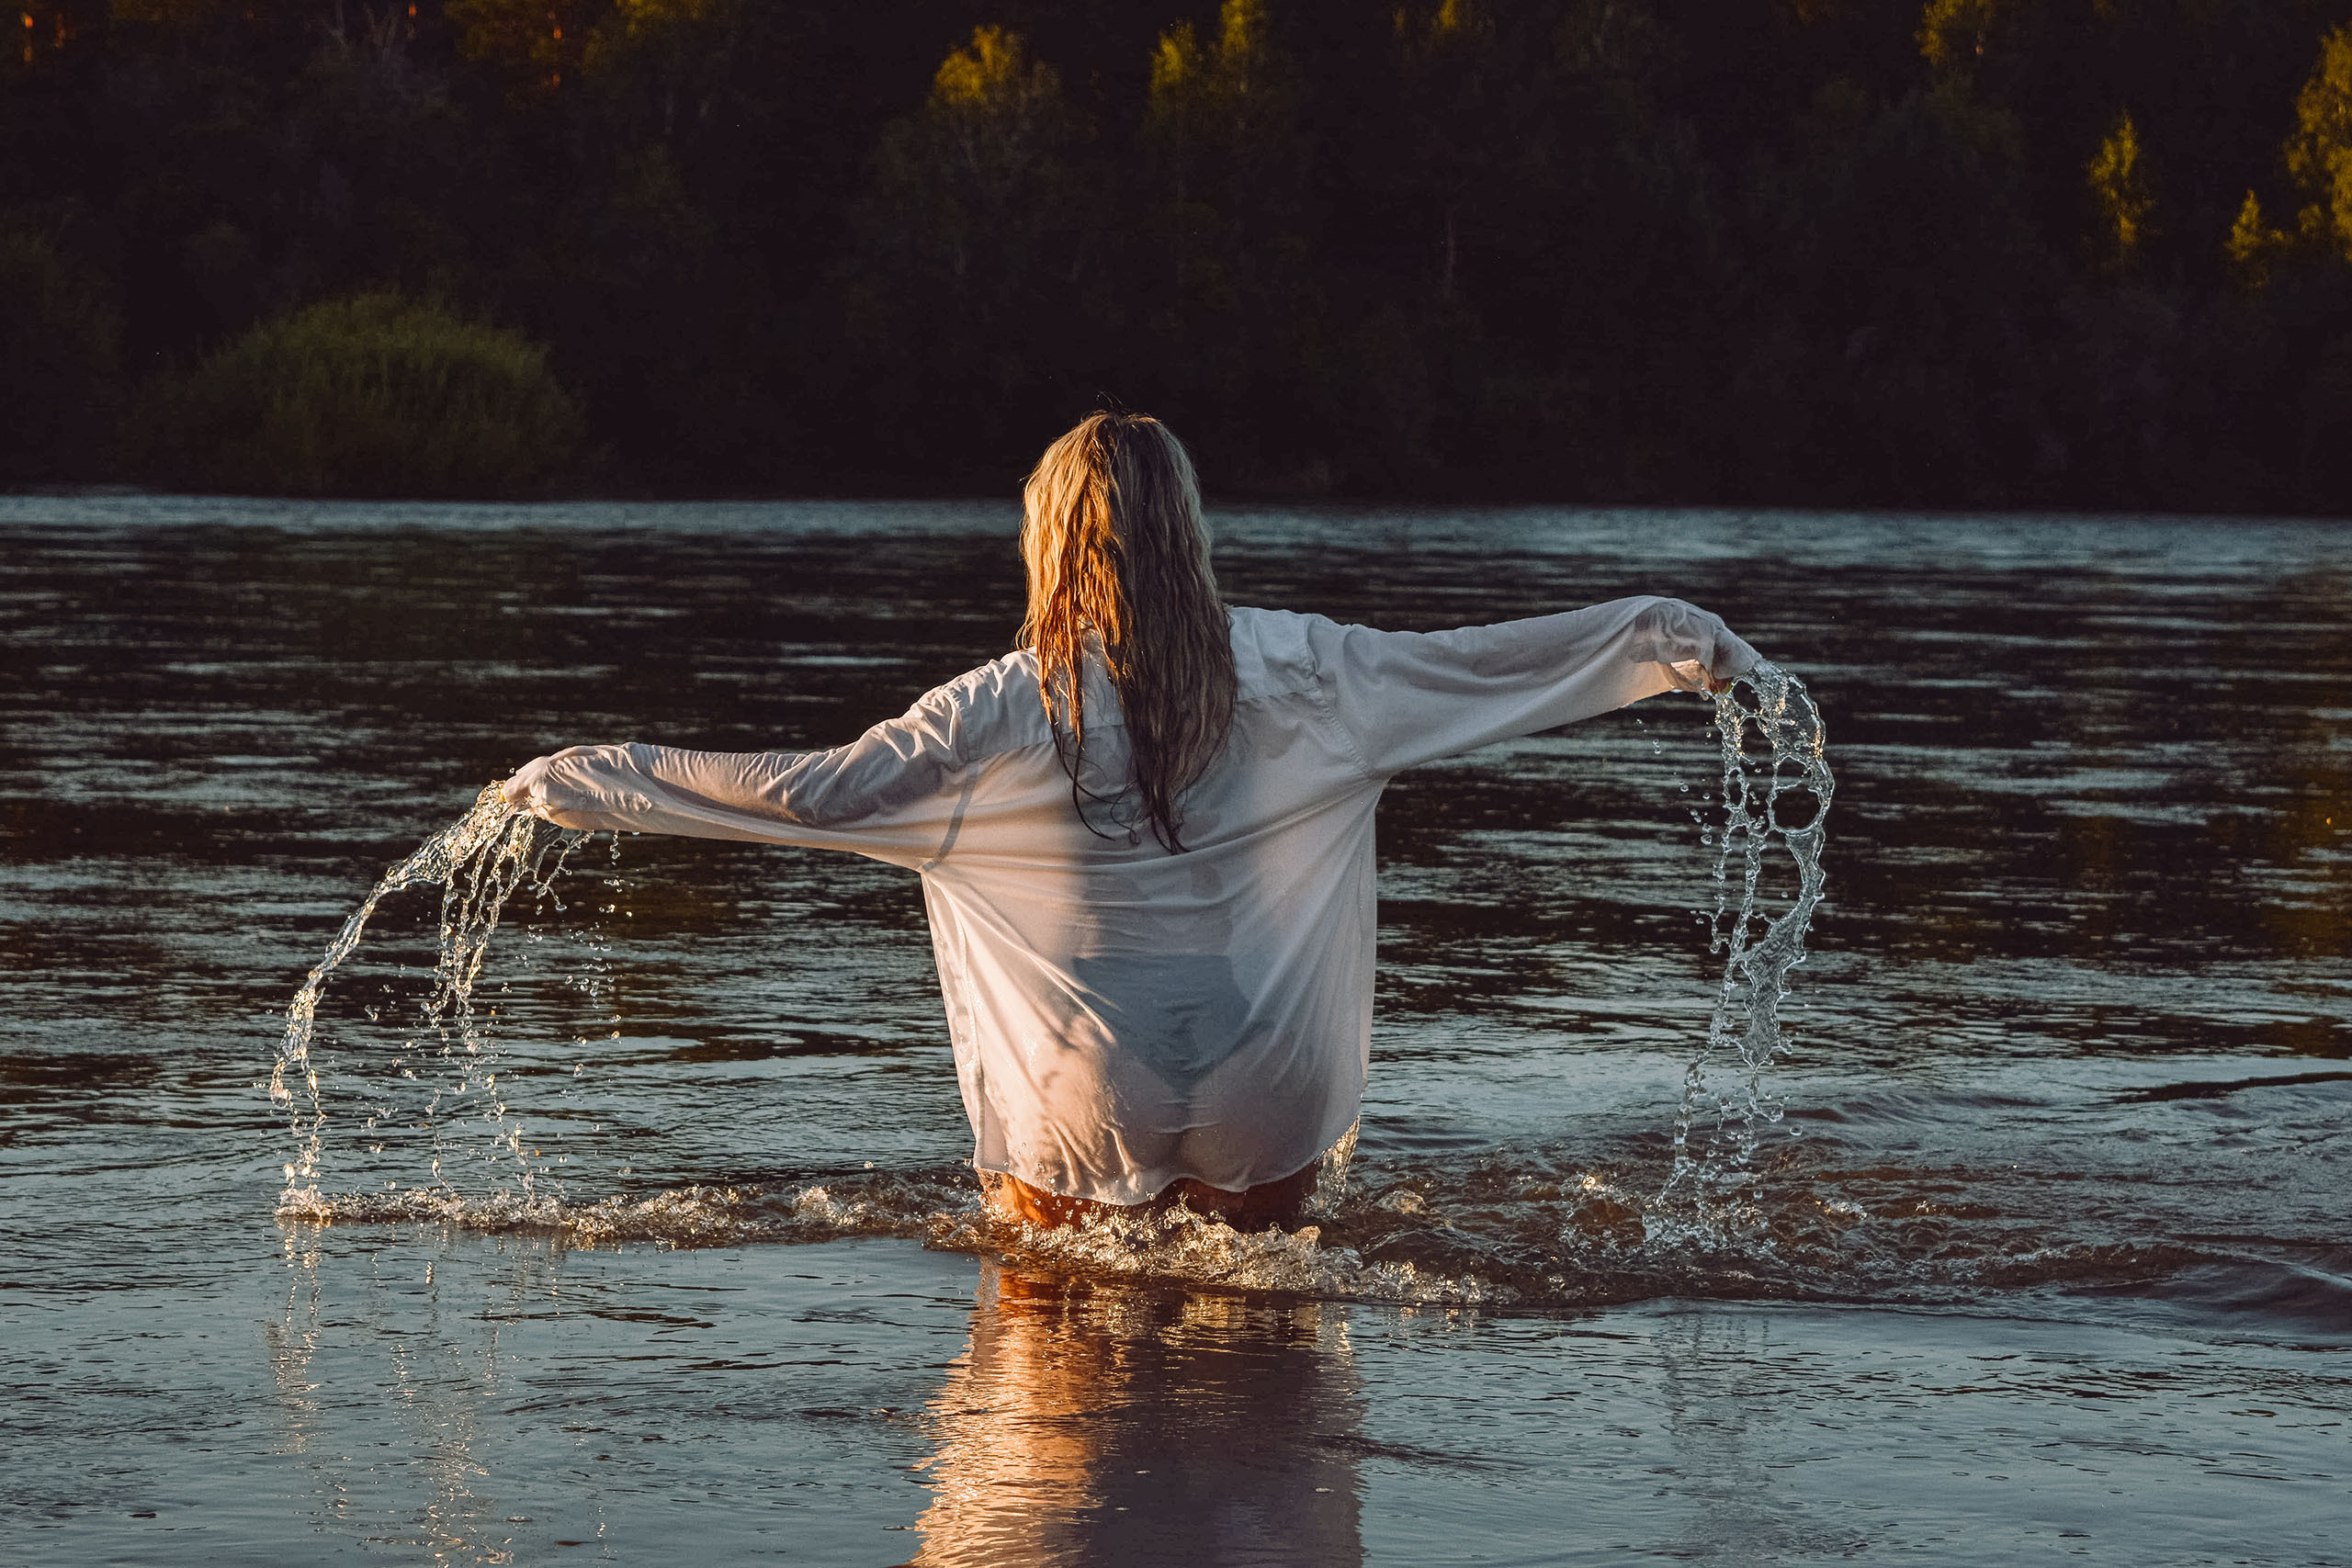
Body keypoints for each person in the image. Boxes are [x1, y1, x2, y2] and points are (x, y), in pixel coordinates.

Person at [502, 412, 1759, 1231]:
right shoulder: (1306, 669)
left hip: (1075, 1075)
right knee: (1269, 1377)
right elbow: (1486, 671)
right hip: (1266, 1062)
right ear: (1189, 531)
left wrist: (591, 777)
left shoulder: (1002, 706)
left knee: (1049, 1394)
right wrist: (1665, 635)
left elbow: (813, 792)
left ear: (1047, 541)